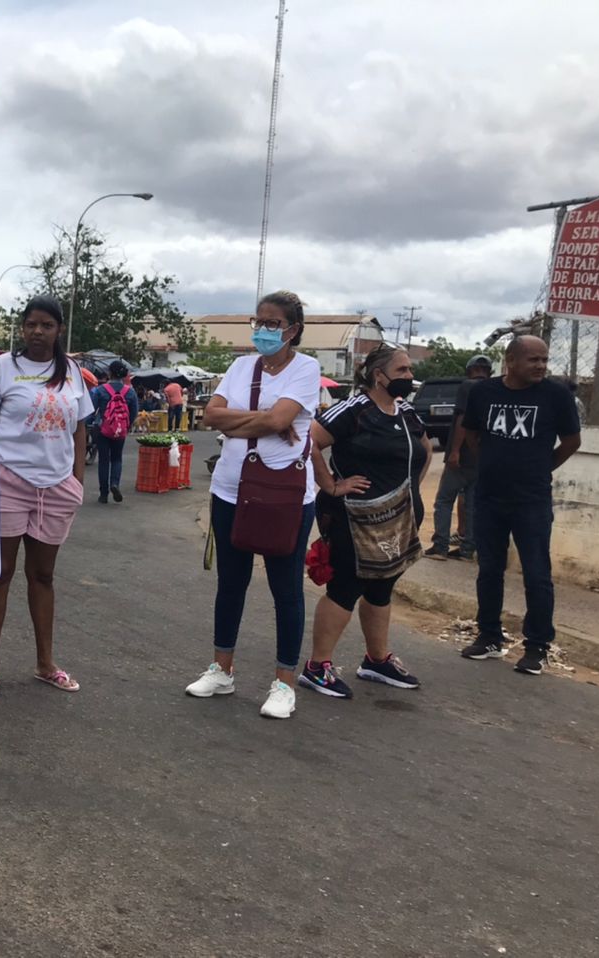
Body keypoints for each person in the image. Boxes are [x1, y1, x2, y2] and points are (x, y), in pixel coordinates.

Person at [185, 290, 320, 719]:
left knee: (285, 588)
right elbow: (210, 416)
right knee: (231, 582)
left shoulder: (306, 369)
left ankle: (284, 682)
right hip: (229, 489)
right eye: (258, 322)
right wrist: (264, 423)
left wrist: (250, 421)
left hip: (285, 495)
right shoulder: (241, 366)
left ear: (293, 329)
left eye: (273, 324)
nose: (263, 331)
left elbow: (282, 420)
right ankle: (222, 669)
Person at [0, 294, 92, 697]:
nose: (38, 332)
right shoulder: (5, 368)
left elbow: (80, 428)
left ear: (59, 330)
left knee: (43, 576)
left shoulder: (71, 371)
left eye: (47, 325)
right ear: (22, 328)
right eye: (31, 324)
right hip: (9, 482)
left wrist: (76, 481)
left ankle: (45, 663)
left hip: (55, 488)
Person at [299, 344, 432, 699]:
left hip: (399, 519)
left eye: (408, 370)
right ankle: (317, 667)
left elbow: (425, 448)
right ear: (379, 375)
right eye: (402, 370)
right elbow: (308, 441)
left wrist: (408, 492)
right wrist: (330, 484)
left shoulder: (405, 411)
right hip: (354, 519)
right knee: (346, 587)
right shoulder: (354, 409)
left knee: (381, 587)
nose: (408, 377)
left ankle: (376, 660)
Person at [459, 335, 582, 674]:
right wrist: (490, 463)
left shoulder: (556, 395)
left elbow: (572, 441)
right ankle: (489, 636)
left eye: (544, 360)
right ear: (510, 361)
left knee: (537, 574)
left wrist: (541, 468)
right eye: (534, 360)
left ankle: (537, 646)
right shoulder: (483, 392)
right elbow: (471, 433)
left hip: (531, 499)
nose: (542, 366)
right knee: (488, 569)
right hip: (489, 497)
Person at [426, 355, 492, 561]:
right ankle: (466, 551)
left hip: (462, 455)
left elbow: (463, 419)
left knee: (444, 500)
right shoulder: (494, 388)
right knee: (472, 504)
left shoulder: (468, 386)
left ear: (470, 370)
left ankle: (440, 547)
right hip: (481, 457)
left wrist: (454, 451)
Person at [90, 359, 139, 503]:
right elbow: (134, 412)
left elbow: (91, 410)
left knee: (104, 460)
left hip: (102, 429)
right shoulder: (130, 392)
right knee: (117, 458)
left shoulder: (99, 390)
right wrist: (125, 425)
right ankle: (115, 484)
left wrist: (88, 424)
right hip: (120, 430)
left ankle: (103, 494)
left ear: (109, 373)